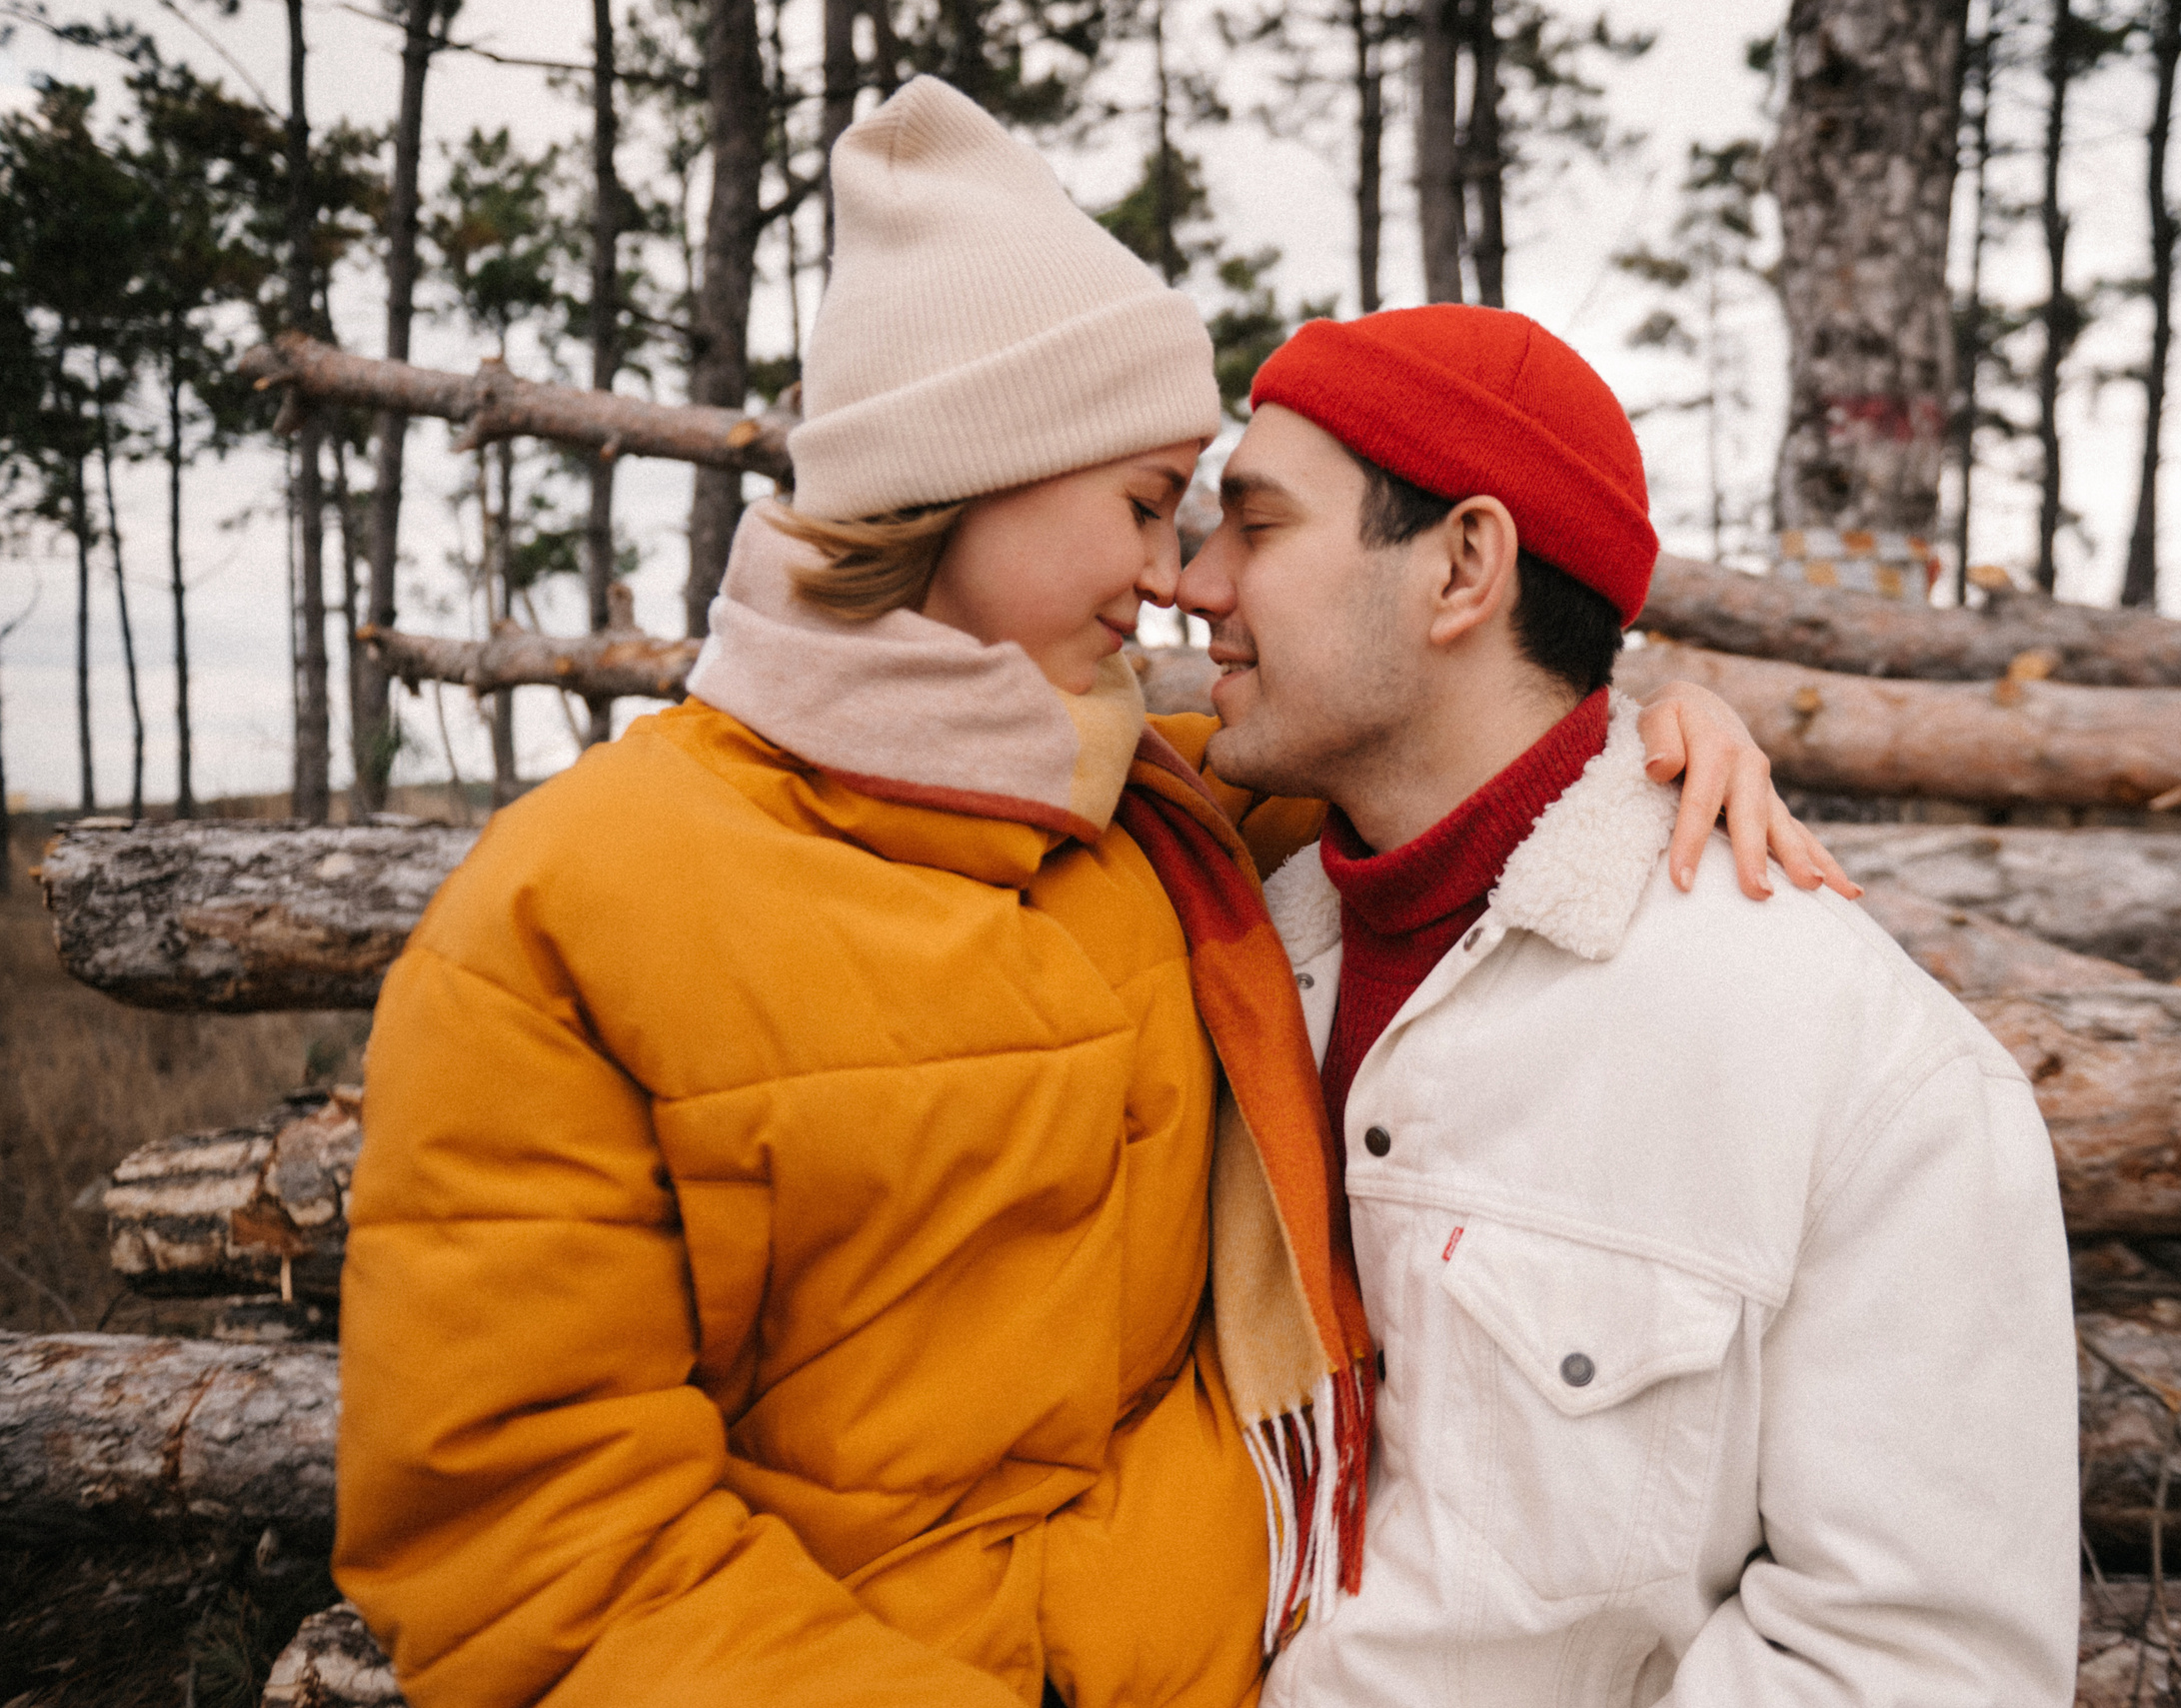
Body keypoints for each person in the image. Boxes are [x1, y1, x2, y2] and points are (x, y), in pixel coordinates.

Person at [332, 80, 1849, 1708]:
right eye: (1142, 501)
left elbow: (1457, 728)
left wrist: (1645, 735)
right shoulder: (571, 904)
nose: (1173, 574)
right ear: (964, 474)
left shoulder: (1172, 799)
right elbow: (537, 1535)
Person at [1174, 304, 2082, 1706]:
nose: (1195, 583)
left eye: (1258, 525)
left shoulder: (1858, 1065)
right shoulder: (1207, 935)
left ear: (1465, 565)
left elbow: (1912, 1665)